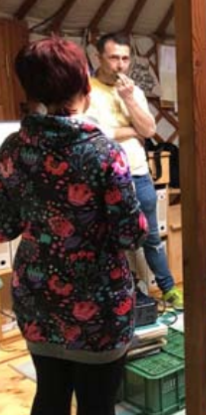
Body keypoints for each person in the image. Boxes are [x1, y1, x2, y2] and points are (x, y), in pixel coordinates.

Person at [0, 37, 147, 415]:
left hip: (37, 295)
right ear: (84, 86)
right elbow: (131, 234)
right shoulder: (103, 152)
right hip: (98, 301)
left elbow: (5, 226)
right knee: (97, 404)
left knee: (49, 395)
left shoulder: (13, 148)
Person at [86, 33, 183, 310]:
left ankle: (167, 289)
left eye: (125, 58)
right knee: (108, 238)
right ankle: (122, 294)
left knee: (151, 236)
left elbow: (150, 130)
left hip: (138, 173)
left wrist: (129, 99)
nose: (120, 65)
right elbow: (94, 133)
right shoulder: (86, 90)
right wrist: (131, 130)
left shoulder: (134, 91)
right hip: (104, 176)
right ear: (98, 58)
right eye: (113, 58)